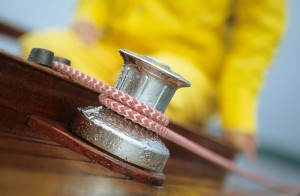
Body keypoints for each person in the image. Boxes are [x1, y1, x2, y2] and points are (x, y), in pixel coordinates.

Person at [20, 0, 286, 160]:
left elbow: (253, 44)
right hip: (115, 48)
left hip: (190, 68)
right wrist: (90, 15)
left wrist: (238, 118)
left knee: (147, 93)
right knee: (43, 46)